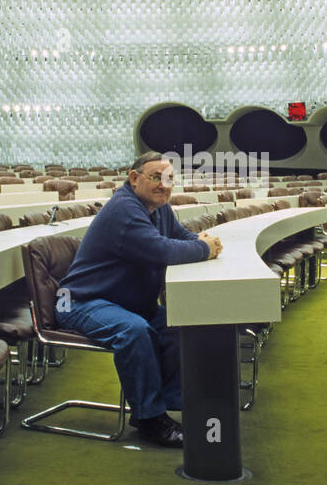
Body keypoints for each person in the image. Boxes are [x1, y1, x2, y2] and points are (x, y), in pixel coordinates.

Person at [54, 152, 223, 446]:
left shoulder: (158, 208)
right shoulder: (124, 209)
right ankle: (150, 419)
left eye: (169, 179)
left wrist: (201, 242)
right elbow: (161, 251)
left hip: (122, 301)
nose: (164, 185)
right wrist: (205, 249)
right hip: (81, 301)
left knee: (180, 322)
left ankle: (167, 404)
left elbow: (181, 236)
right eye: (156, 177)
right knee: (134, 331)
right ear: (134, 179)